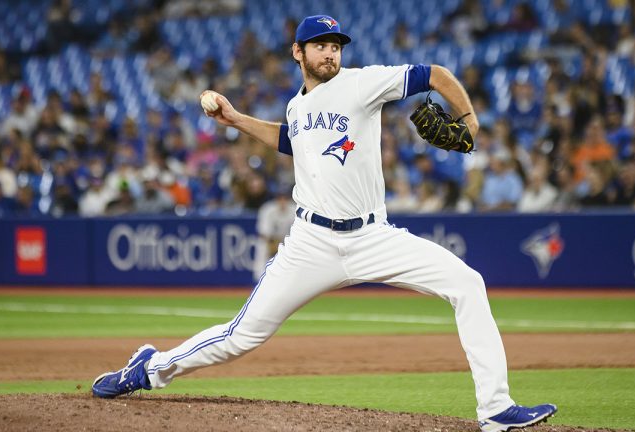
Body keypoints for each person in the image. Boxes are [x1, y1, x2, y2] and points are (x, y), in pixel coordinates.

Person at [91, 15, 556, 432]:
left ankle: (495, 409)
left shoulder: (361, 84)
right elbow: (291, 140)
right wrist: (234, 119)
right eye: (320, 45)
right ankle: (150, 369)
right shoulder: (297, 107)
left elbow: (436, 75)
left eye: (336, 45)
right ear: (299, 52)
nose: (330, 52)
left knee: (467, 283)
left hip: (374, 236)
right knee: (242, 336)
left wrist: (468, 121)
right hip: (311, 243)